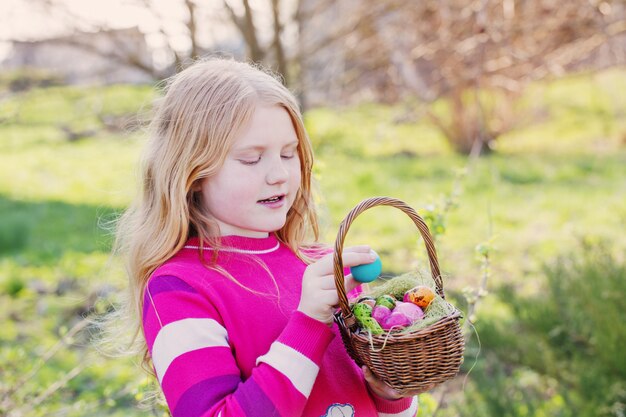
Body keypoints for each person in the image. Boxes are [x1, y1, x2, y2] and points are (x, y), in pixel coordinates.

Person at [114, 57, 424, 417]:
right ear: (192, 171)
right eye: (250, 158)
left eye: (289, 153)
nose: (278, 174)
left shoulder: (321, 268)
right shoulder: (179, 288)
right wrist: (309, 322)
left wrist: (390, 393)